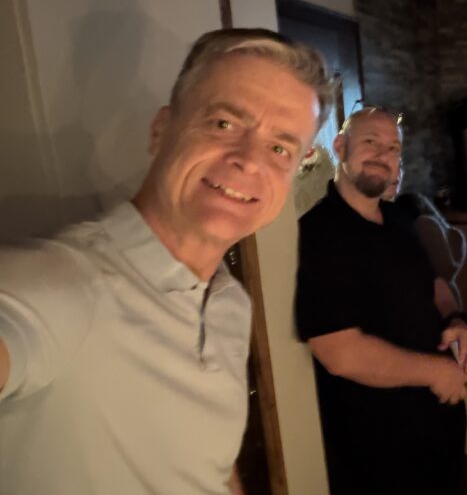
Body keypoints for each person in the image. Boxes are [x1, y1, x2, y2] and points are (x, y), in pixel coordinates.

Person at [0, 28, 333, 494]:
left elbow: (207, 464)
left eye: (280, 148)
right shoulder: (65, 280)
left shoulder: (231, 303)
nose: (249, 160)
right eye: (224, 123)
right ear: (161, 130)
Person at [294, 108, 467, 495]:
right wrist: (437, 373)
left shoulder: (399, 218)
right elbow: (338, 352)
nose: (383, 155)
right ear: (340, 147)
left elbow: (435, 285)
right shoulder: (320, 231)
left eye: (393, 148)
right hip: (377, 444)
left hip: (435, 429)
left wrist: (458, 321)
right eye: (371, 142)